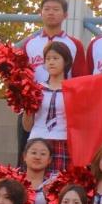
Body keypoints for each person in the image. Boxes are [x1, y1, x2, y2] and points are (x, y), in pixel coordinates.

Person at [21, 42, 74, 171]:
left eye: (55, 58)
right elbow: (27, 127)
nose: (51, 62)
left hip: (62, 140)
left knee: (60, 181)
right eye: (48, 59)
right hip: (37, 141)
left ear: (66, 62)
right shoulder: (35, 89)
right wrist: (28, 108)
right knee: (34, 182)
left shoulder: (73, 90)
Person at [19, 0, 87, 83]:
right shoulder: (29, 44)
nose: (50, 13)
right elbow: (21, 76)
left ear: (65, 15)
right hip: (35, 92)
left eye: (56, 9)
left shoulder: (75, 44)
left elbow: (81, 79)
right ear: (41, 13)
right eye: (46, 9)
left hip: (64, 91)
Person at [19, 138, 56, 204]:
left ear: (49, 160)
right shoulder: (14, 182)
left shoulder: (54, 184)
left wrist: (50, 200)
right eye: (33, 153)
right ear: (24, 156)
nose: (37, 157)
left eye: (43, 154)